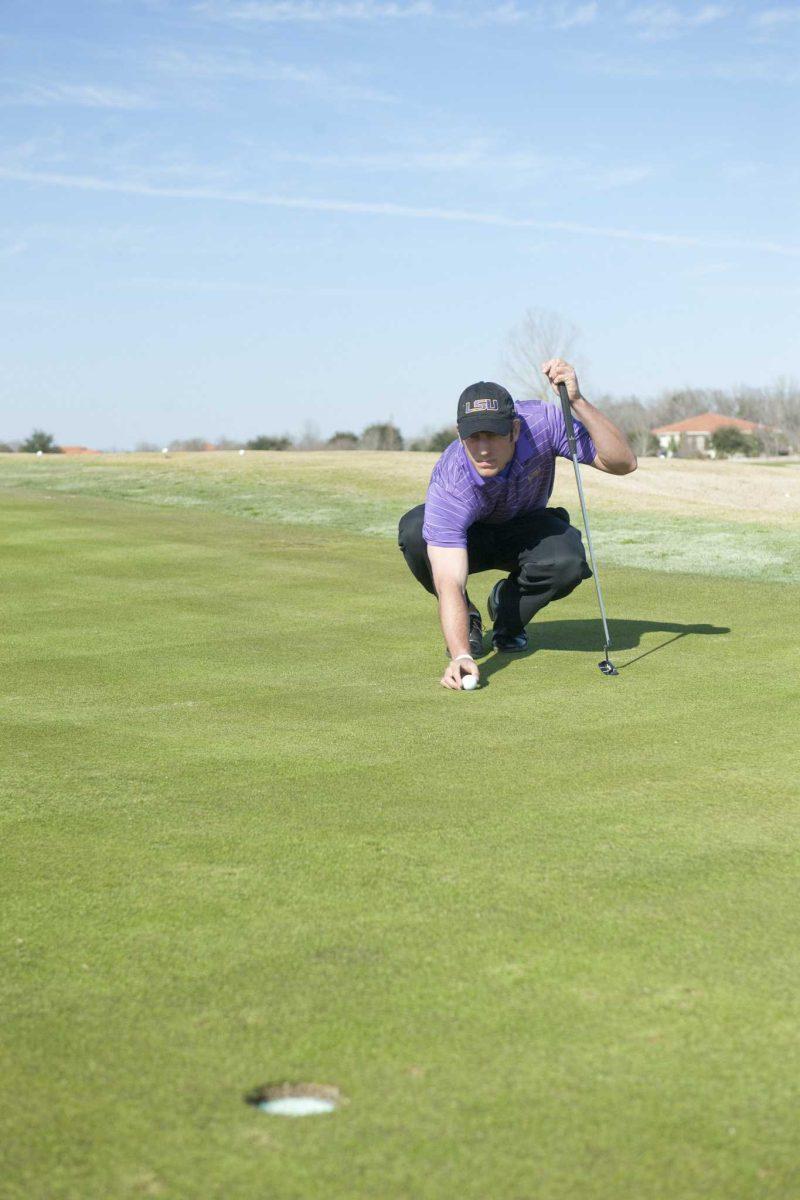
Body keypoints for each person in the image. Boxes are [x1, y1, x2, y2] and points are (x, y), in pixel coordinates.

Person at [398, 360, 637, 690]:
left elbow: (623, 463)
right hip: (473, 537)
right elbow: (449, 579)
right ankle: (467, 618)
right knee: (415, 532)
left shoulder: (542, 424)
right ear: (459, 434)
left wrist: (578, 402)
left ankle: (508, 614)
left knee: (567, 562)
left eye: (494, 436)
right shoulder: (450, 481)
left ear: (514, 429)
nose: (483, 449)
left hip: (526, 528)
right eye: (474, 437)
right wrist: (460, 657)